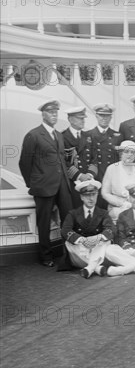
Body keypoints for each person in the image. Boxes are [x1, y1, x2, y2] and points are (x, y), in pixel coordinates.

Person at [19, 100, 73, 267]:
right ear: (43, 114)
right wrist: (33, 184)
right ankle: (46, 256)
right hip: (43, 186)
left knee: (67, 219)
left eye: (56, 112)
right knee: (43, 222)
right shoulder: (33, 135)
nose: (54, 115)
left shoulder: (59, 135)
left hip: (62, 185)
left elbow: (61, 160)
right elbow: (24, 163)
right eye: (50, 112)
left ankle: (68, 254)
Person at [61, 180, 114, 278]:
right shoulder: (73, 214)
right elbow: (65, 230)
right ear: (81, 197)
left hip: (96, 249)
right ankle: (97, 267)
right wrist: (82, 240)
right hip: (80, 255)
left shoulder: (103, 213)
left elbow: (110, 229)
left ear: (97, 195)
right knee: (69, 243)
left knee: (105, 241)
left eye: (93, 195)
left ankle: (90, 268)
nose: (91, 198)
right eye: (87, 195)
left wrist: (98, 237)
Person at [101, 140, 135, 222]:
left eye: (132, 152)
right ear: (121, 153)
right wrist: (122, 203)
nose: (129, 155)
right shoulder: (112, 168)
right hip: (118, 208)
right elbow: (105, 193)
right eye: (126, 152)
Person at [87, 103, 122, 209]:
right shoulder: (88, 135)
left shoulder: (118, 136)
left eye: (107, 116)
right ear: (96, 116)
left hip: (112, 179)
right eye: (101, 115)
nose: (104, 118)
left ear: (111, 117)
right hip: (95, 178)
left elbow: (120, 159)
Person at [62, 106, 96, 207]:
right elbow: (62, 162)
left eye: (83, 118)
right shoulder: (62, 137)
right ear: (70, 119)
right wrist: (80, 176)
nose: (83, 120)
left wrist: (90, 175)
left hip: (89, 182)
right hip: (71, 183)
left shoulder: (88, 136)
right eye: (79, 118)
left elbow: (94, 159)